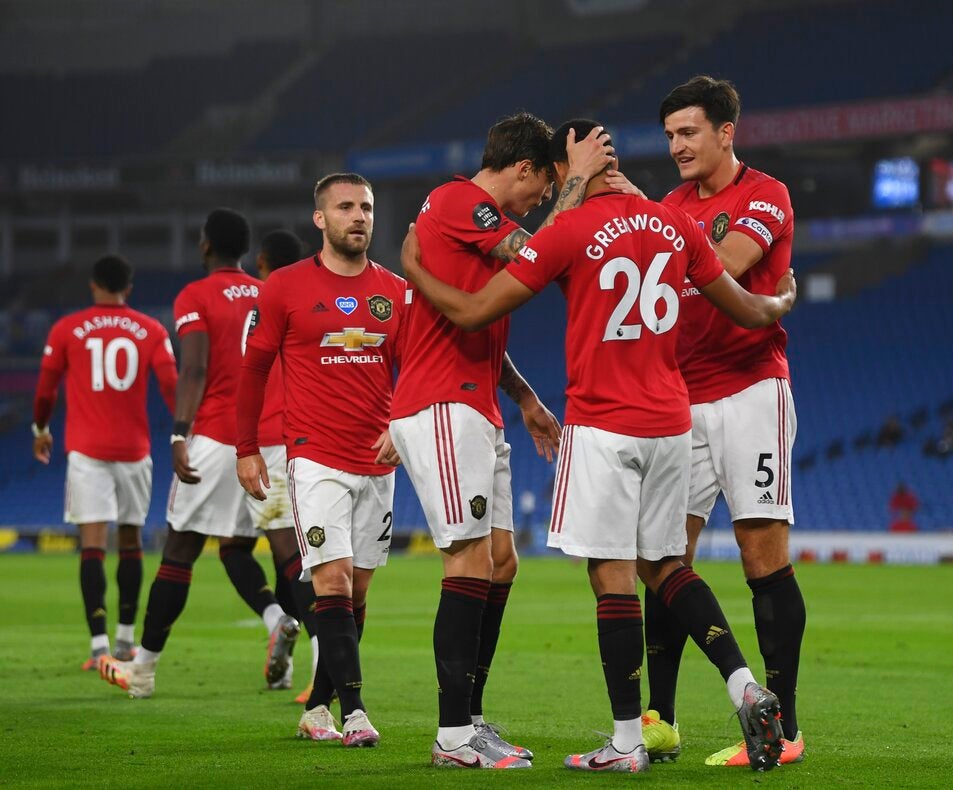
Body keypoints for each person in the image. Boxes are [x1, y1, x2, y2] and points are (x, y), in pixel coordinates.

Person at [401, 118, 796, 773]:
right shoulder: (677, 225)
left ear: (566, 173)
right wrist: (781, 299)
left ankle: (624, 743)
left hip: (603, 421)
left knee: (610, 576)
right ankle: (743, 684)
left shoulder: (569, 229)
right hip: (673, 419)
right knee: (667, 566)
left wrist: (414, 265)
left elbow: (474, 312)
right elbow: (749, 310)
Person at [388, 112, 615, 770]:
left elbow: (479, 317)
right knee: (465, 561)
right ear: (522, 169)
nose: (543, 199)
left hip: (475, 402)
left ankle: (471, 716)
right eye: (542, 187)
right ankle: (453, 735)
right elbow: (535, 257)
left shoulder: (462, 217)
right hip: (440, 403)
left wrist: (524, 398)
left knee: (500, 563)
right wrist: (576, 188)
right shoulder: (462, 200)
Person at [607, 76, 807, 767]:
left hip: (752, 391)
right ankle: (661, 720)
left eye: (689, 132)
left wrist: (651, 219)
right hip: (679, 398)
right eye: (669, 135)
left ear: (727, 132)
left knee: (761, 554)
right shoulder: (667, 205)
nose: (677, 146)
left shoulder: (766, 194)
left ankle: (784, 729)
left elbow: (722, 268)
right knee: (665, 558)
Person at [98, 208, 299, 698]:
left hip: (218, 436)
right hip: (272, 440)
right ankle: (302, 647)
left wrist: (179, 433)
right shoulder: (270, 290)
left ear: (206, 245)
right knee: (277, 553)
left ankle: (141, 671)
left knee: (180, 551)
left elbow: (194, 369)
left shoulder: (195, 294)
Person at [237, 174, 406, 746]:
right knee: (330, 581)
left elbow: (417, 372)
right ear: (320, 219)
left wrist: (400, 427)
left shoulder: (395, 292)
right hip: (313, 458)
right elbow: (255, 370)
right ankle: (355, 713)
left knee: (356, 594)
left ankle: (317, 707)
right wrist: (246, 449)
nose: (358, 216)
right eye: (345, 207)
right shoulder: (284, 287)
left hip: (378, 463)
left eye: (366, 207)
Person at [32, 254, 177, 669]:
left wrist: (40, 428)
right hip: (135, 451)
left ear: (93, 286)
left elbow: (44, 391)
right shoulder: (150, 329)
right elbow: (171, 384)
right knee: (130, 542)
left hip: (87, 453)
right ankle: (126, 643)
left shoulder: (66, 328)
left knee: (92, 546)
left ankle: (97, 648)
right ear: (128, 289)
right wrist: (184, 429)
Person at [242, 229, 322, 696]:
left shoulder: (265, 305)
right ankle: (297, 654)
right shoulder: (312, 296)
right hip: (307, 439)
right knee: (298, 555)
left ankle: (320, 662)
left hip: (273, 439)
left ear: (263, 262)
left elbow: (249, 372)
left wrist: (244, 444)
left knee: (293, 557)